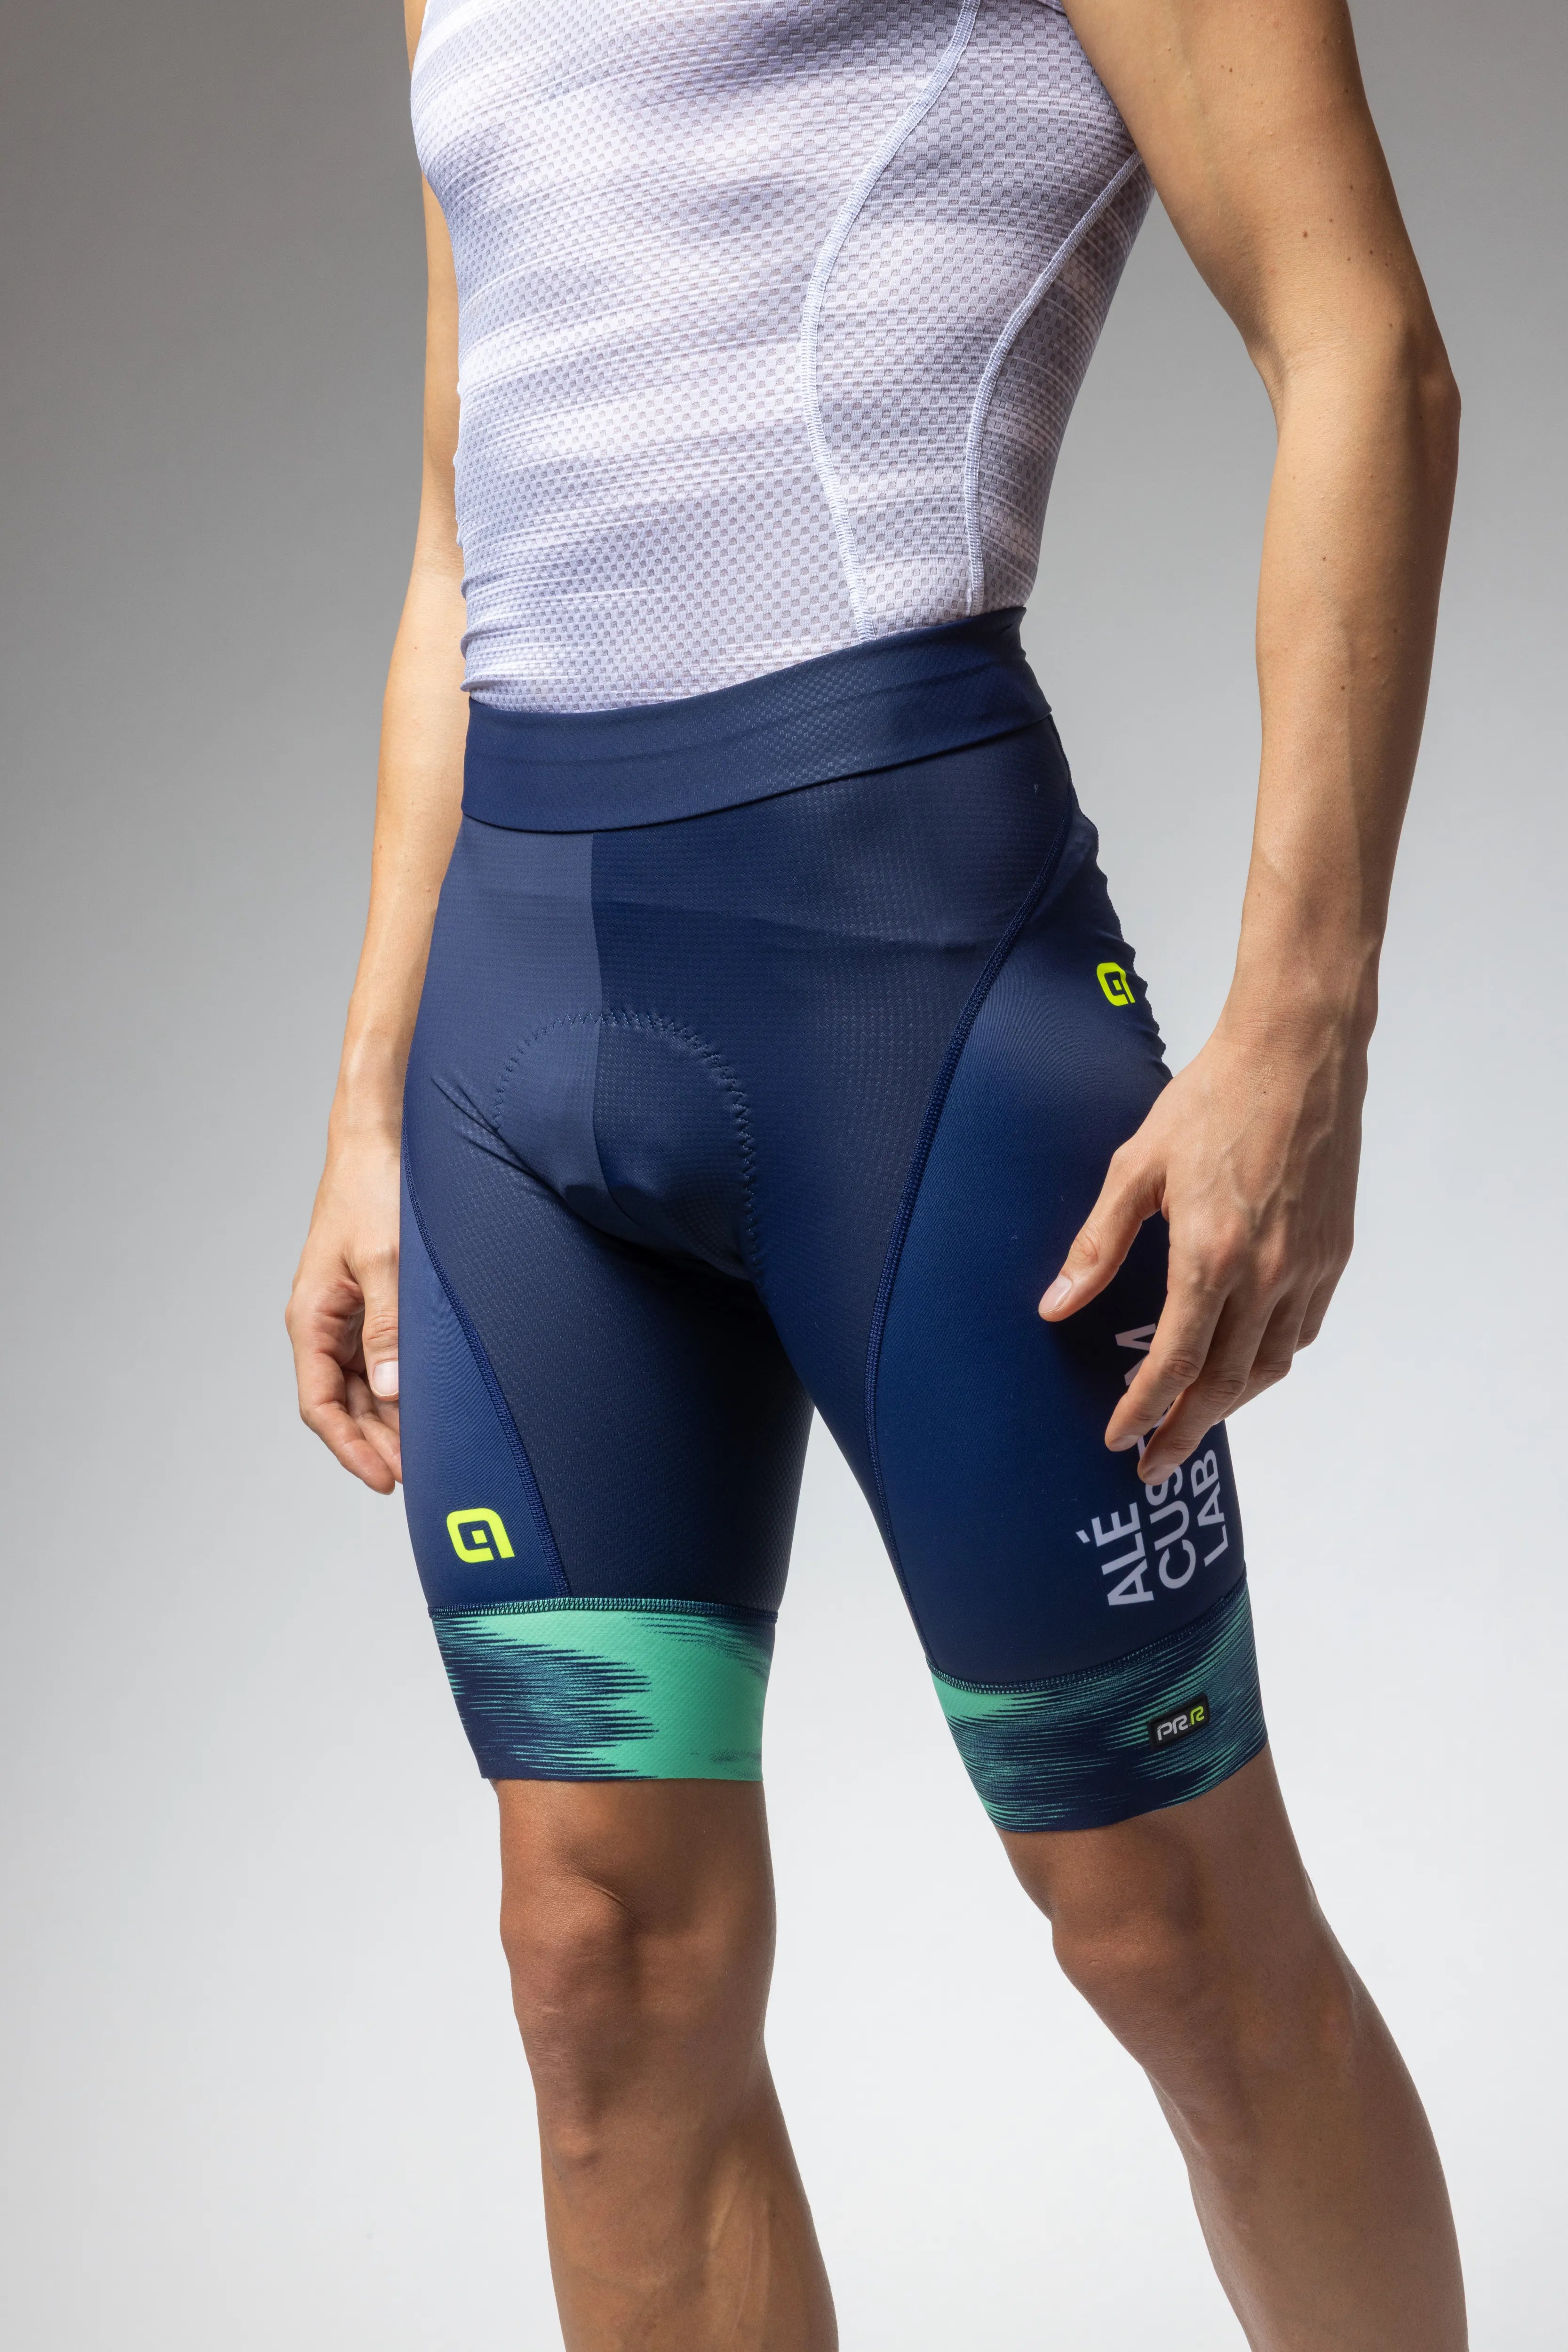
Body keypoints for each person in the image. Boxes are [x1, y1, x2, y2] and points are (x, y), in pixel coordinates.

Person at [287, 1, 1464, 2343]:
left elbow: (1364, 352)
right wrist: (368, 1100)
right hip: (515, 1034)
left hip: (907, 991)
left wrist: (1303, 1020)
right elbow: (458, 527)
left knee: (1167, 1929)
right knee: (594, 1961)